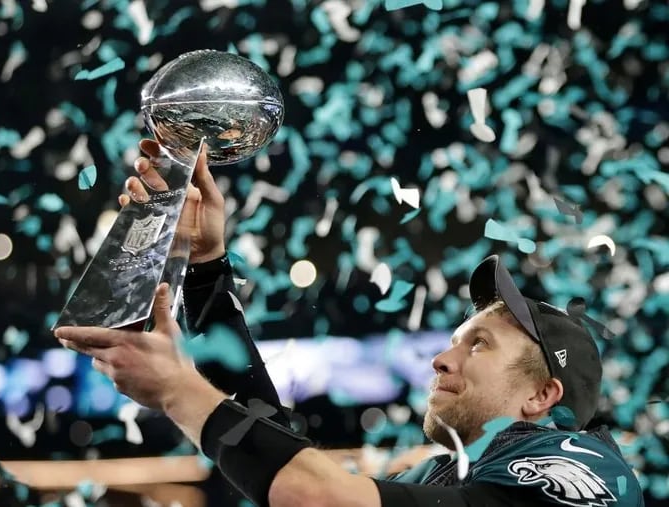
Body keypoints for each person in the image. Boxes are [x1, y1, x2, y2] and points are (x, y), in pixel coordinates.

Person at [55, 141, 644, 507]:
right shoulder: (452, 474)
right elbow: (281, 455)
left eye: (479, 345)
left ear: (544, 395)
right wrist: (207, 267)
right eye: (454, 342)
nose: (442, 359)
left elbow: (314, 496)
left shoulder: (577, 474)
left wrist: (178, 390)